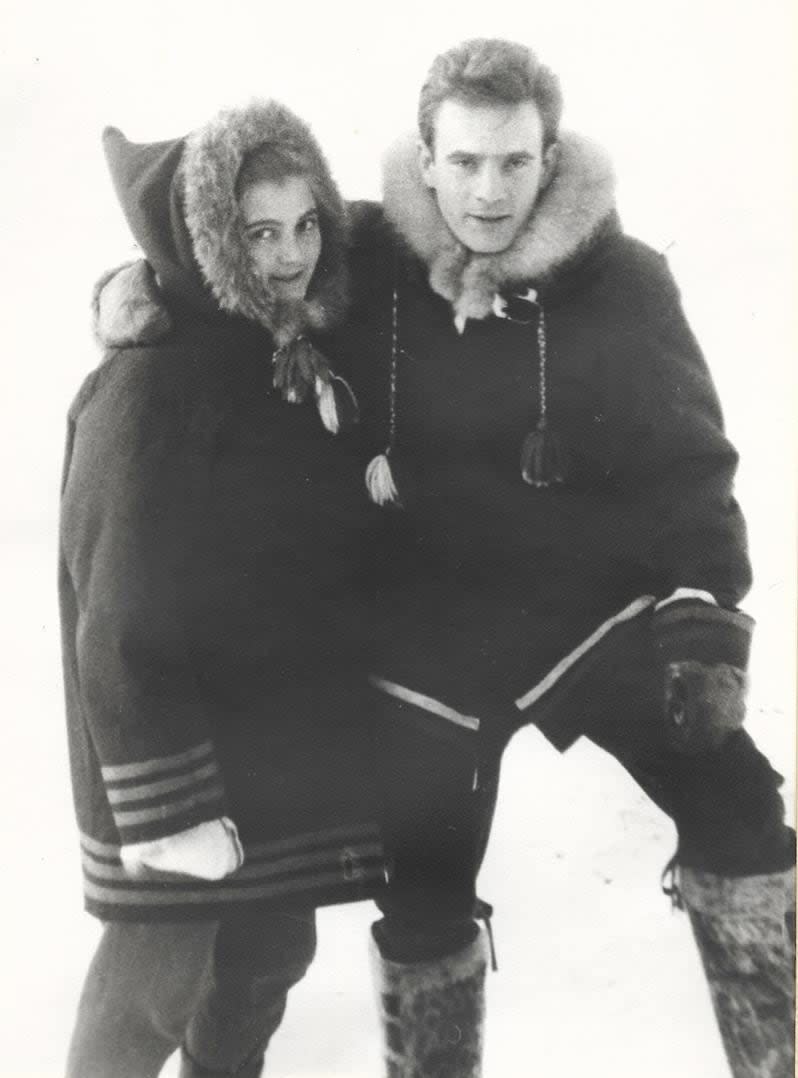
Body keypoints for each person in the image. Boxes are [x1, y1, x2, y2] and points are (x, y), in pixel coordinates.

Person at [92, 39, 796, 1078]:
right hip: (423, 646)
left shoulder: (624, 280)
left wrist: (703, 616)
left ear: (551, 158)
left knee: (740, 805)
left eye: (515, 162)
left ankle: (774, 1054)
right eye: (464, 161)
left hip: (590, 617)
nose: (489, 189)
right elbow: (238, 262)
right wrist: (133, 292)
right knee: (422, 884)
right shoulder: (370, 257)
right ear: (424, 160)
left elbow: (692, 460)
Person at [59, 99, 387, 1078]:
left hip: (270, 736)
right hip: (178, 755)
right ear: (207, 240)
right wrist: (167, 814)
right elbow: (117, 618)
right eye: (259, 232)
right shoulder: (157, 386)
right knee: (158, 968)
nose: (290, 255)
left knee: (272, 945)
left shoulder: (275, 347)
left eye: (305, 224)